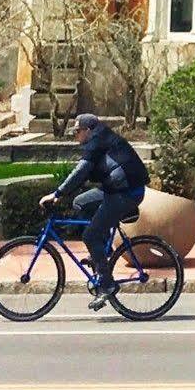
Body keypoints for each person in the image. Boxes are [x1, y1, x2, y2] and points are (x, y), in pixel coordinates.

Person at [42, 112, 148, 309]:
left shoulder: (98, 141)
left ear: (88, 130)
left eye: (77, 132)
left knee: (90, 235)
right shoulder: (99, 138)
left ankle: (107, 286)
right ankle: (101, 251)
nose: (76, 136)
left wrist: (57, 193)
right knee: (81, 203)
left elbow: (81, 171)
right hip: (115, 188)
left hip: (127, 192)